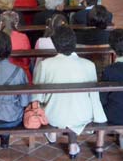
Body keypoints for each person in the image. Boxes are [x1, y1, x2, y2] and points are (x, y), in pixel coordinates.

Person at [32, 26, 107, 159]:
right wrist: (99, 117)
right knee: (73, 105)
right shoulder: (89, 65)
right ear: (74, 43)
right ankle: (72, 144)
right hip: (82, 114)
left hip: (54, 115)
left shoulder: (45, 65)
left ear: (55, 44)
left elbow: (38, 95)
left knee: (50, 103)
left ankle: (53, 133)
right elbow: (94, 96)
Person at [0, 10, 32, 82]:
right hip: (21, 73)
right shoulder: (23, 37)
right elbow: (26, 61)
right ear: (16, 23)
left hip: (0, 73)